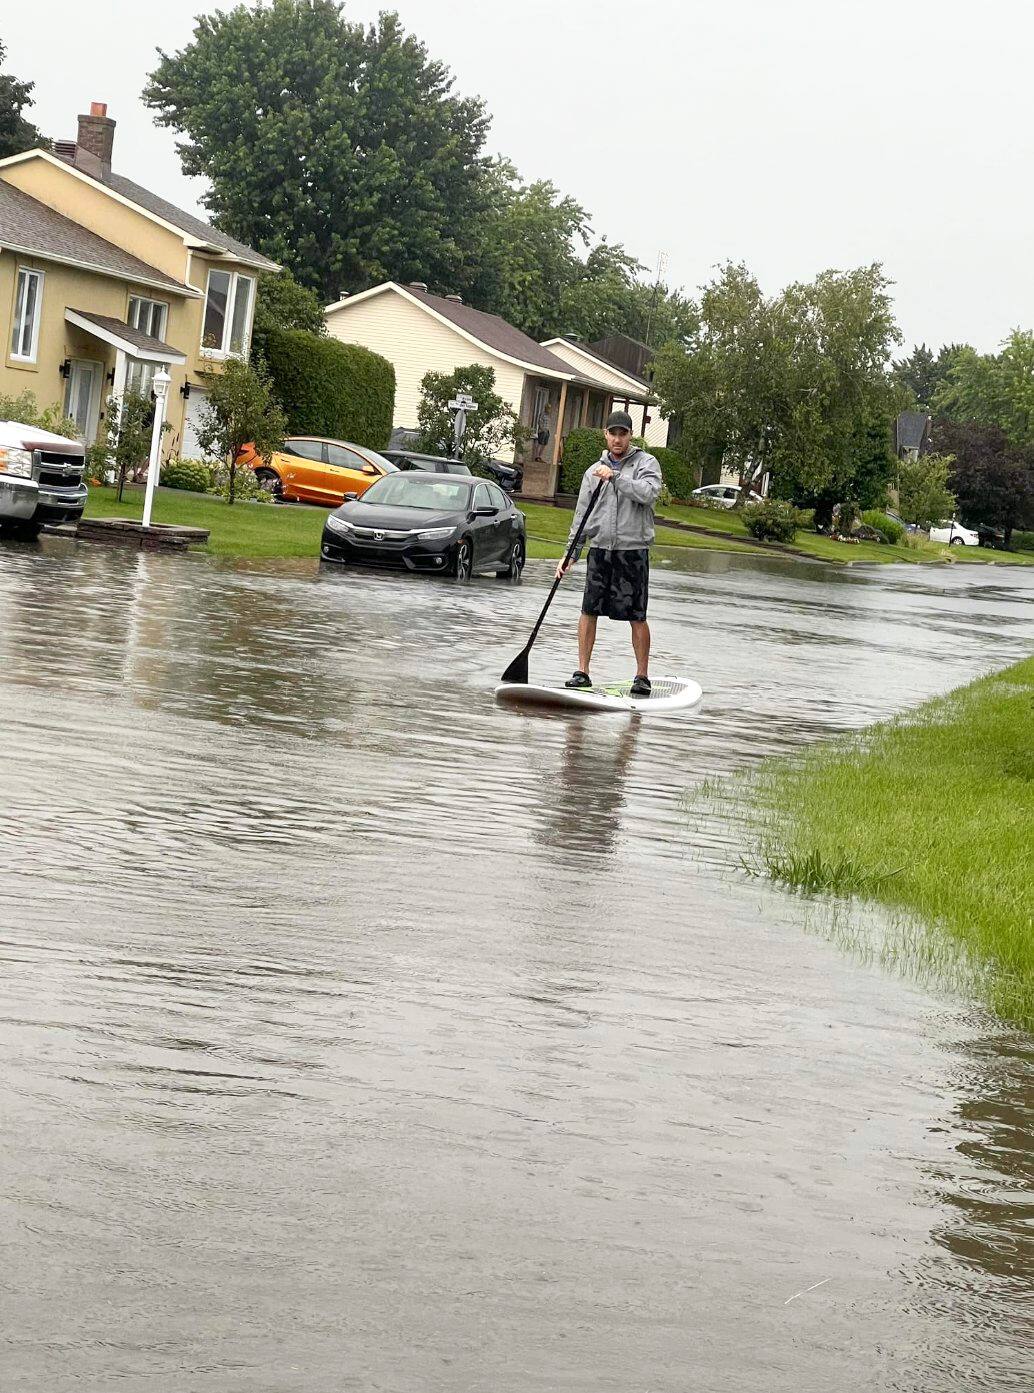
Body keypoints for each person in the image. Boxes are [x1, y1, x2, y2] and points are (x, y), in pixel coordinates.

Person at [555, 411, 662, 697]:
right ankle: (582, 672)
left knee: (636, 615)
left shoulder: (645, 463)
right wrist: (570, 554)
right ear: (606, 434)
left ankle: (642, 676)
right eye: (613, 433)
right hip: (601, 550)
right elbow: (581, 515)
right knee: (588, 610)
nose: (617, 439)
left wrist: (615, 478)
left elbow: (649, 493)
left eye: (623, 434)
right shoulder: (593, 471)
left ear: (630, 436)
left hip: (632, 550)